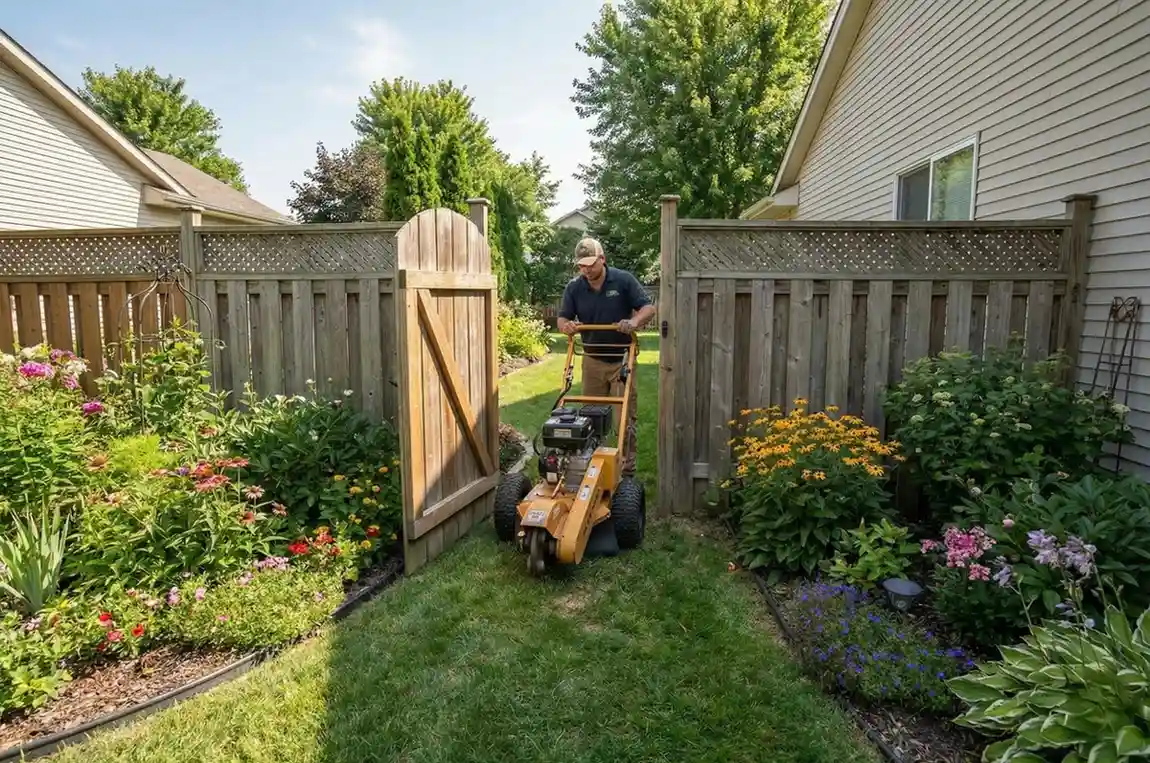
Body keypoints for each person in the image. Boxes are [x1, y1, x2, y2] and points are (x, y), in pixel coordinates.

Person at [556, 237, 656, 476]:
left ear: (602, 259)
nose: (586, 270)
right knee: (590, 414)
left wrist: (633, 322)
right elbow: (562, 318)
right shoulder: (574, 287)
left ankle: (626, 469)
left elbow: (648, 308)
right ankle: (592, 464)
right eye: (581, 265)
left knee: (625, 417)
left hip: (622, 358)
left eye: (590, 264)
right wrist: (567, 326)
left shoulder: (623, 280)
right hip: (592, 358)